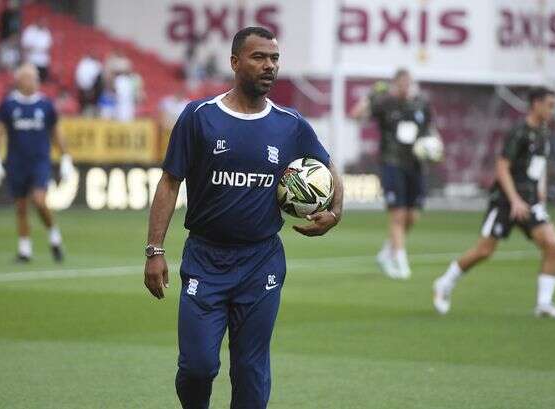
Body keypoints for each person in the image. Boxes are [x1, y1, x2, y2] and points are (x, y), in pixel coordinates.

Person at [143, 27, 344, 409]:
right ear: (235, 62)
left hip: (261, 261)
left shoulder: (291, 123)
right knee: (197, 367)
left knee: (251, 371)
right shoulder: (199, 116)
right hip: (206, 259)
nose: (269, 66)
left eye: (274, 59)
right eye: (259, 58)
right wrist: (155, 249)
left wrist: (335, 212)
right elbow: (170, 182)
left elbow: (330, 169)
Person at [433, 87, 555, 319]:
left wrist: (541, 190)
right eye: (549, 104)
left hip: (532, 201)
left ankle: (544, 305)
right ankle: (444, 283)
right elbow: (502, 167)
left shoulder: (544, 131)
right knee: (484, 251)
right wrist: (515, 200)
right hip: (506, 201)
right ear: (535, 103)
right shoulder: (519, 132)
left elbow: (540, 164)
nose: (552, 110)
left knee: (553, 245)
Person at [350, 69, 434, 279]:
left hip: (416, 165)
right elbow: (356, 115)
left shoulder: (421, 104)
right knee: (397, 214)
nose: (406, 87)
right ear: (395, 84)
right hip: (392, 163)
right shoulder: (384, 103)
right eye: (402, 84)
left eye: (409, 83)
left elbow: (430, 130)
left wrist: (435, 146)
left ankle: (387, 252)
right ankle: (400, 261)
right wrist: (370, 95)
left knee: (412, 216)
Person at [0, 63, 74, 262]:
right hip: (16, 162)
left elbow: (56, 132)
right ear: (20, 80)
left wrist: (66, 157)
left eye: (36, 78)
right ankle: (24, 249)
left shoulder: (45, 105)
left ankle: (54, 236)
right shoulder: (8, 105)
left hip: (39, 162)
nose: (35, 81)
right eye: (31, 78)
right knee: (20, 206)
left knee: (39, 200)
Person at [21, 17, 52, 82]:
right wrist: (36, 48)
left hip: (42, 62)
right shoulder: (29, 30)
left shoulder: (47, 32)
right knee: (29, 81)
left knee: (41, 81)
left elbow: (47, 47)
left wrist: (35, 48)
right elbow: (25, 46)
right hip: (30, 61)